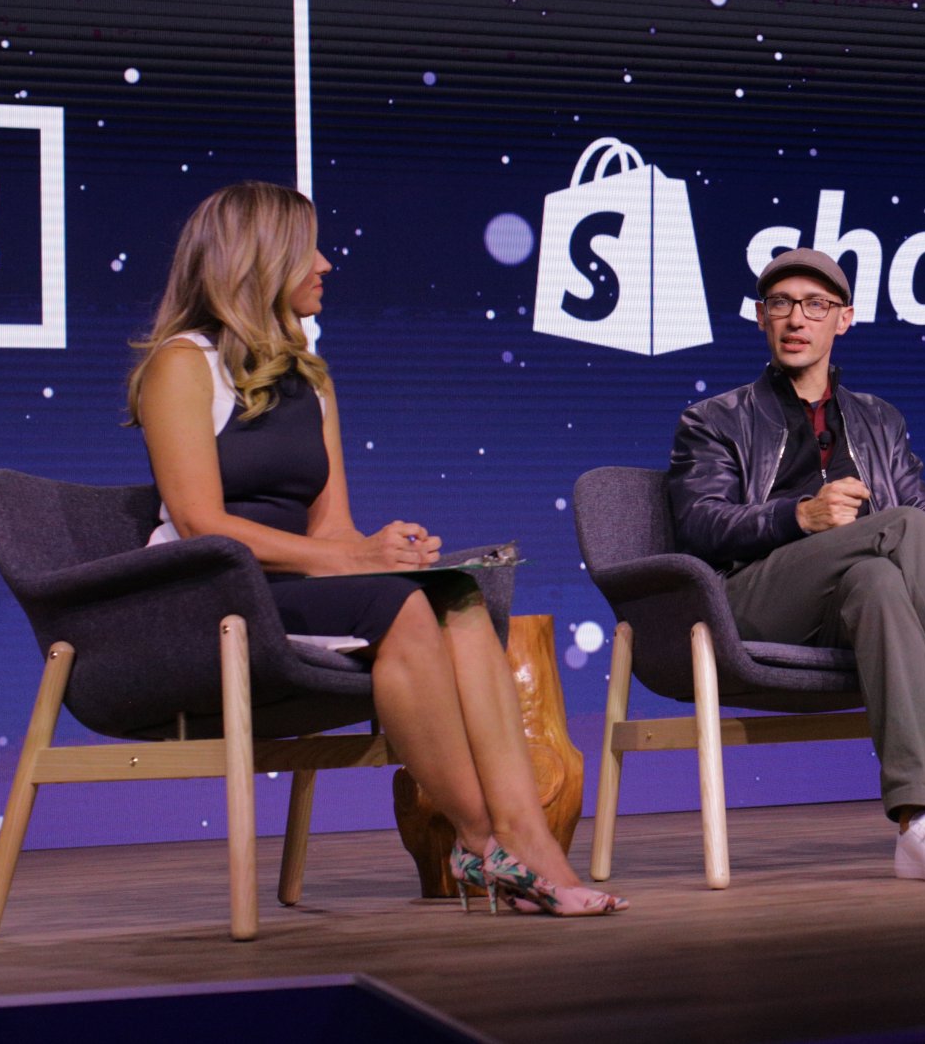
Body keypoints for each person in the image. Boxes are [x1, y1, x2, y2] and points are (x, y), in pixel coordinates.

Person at [128, 182, 622, 917]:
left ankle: (532, 841)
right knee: (395, 606)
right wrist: (359, 565)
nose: (326, 263)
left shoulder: (311, 379)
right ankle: (484, 841)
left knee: (455, 593)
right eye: (308, 250)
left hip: (291, 584)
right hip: (214, 594)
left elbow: (331, 531)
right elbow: (200, 523)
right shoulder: (182, 363)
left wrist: (381, 548)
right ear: (258, 261)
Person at [667, 248, 925, 881]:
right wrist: (798, 517)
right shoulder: (714, 419)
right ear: (761, 318)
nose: (796, 319)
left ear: (844, 320)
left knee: (878, 583)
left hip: (839, 604)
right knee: (897, 533)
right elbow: (699, 524)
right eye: (781, 304)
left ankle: (917, 825)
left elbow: (924, 513)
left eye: (815, 306)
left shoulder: (877, 419)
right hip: (748, 600)